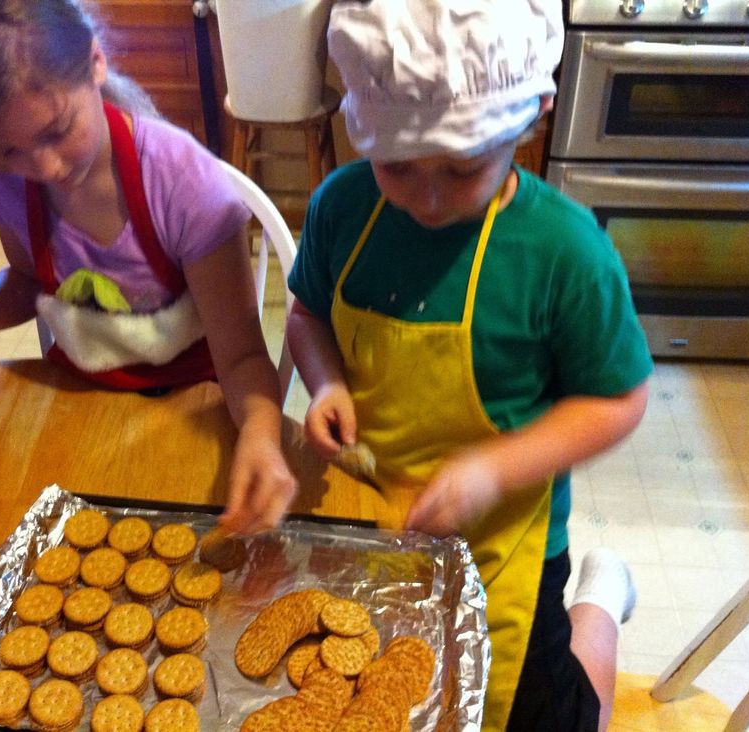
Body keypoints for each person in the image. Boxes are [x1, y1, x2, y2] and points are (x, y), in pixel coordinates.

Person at [286, 1, 653, 730]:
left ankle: (602, 600)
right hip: (374, 522)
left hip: (504, 543)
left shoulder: (564, 253)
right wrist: (325, 378)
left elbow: (619, 399)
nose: (426, 200)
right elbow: (307, 315)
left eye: (461, 170)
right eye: (395, 166)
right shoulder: (341, 208)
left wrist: (491, 470)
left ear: (533, 117)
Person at [0, 0, 296, 534]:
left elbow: (242, 359)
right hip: (77, 405)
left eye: (57, 131)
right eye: (10, 151)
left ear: (96, 63)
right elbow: (29, 282)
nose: (45, 168)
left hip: (192, 412)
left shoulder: (186, 186)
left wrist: (262, 433)